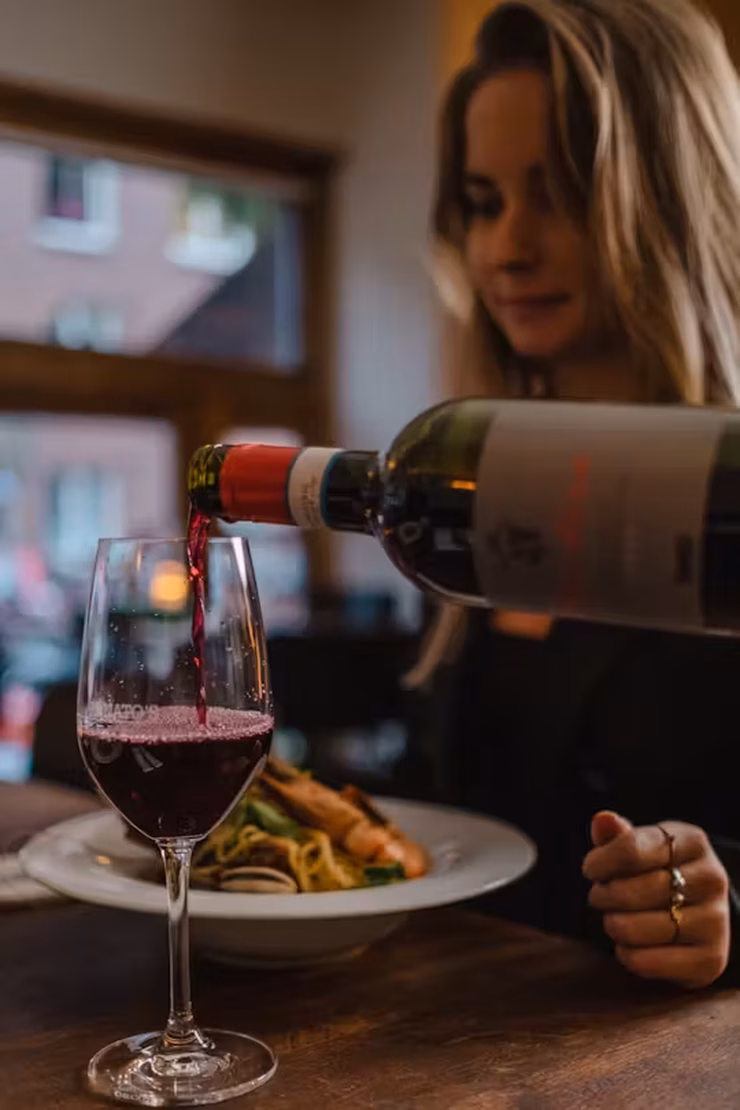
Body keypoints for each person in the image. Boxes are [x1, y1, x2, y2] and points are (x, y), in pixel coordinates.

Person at [404, 0, 740, 990]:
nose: (506, 248)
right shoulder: (466, 495)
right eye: (483, 202)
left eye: (556, 196)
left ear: (669, 202)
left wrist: (725, 908)